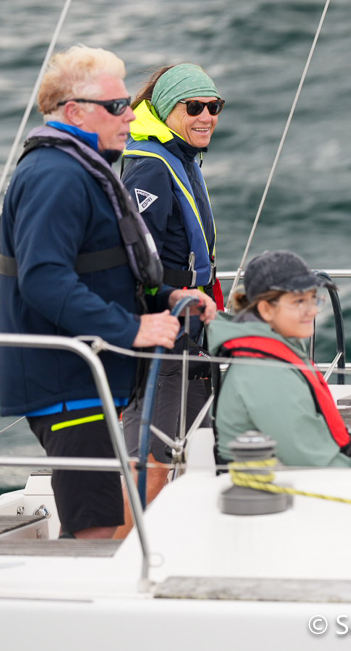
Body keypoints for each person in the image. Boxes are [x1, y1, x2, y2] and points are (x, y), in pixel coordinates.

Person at [0, 45, 216, 539]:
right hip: (67, 382)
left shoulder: (80, 168)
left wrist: (165, 298)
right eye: (117, 106)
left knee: (99, 520)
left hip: (85, 376)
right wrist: (133, 327)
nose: (131, 114)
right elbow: (44, 280)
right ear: (75, 112)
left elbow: (104, 270)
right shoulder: (54, 175)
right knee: (93, 529)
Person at [118, 63, 224, 510]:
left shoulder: (178, 157)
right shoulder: (151, 169)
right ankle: (130, 541)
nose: (206, 117)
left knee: (184, 446)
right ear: (166, 109)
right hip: (162, 331)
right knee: (152, 457)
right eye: (193, 107)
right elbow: (135, 261)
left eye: (214, 107)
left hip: (189, 327)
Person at [212, 251, 351, 467]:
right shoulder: (265, 373)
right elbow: (312, 460)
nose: (312, 310)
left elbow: (327, 443)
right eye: (298, 302)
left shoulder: (279, 351)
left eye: (313, 299)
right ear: (266, 309)